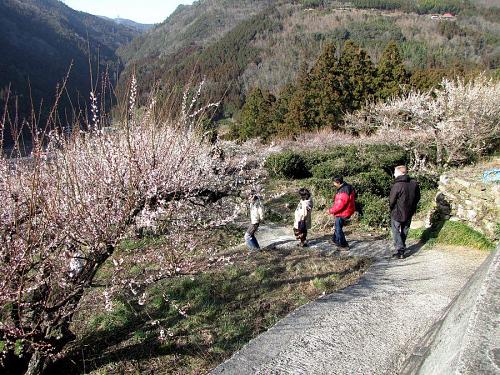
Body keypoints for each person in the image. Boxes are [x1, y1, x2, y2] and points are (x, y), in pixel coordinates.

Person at [389, 165, 420, 259]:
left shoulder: (397, 185)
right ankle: (401, 248)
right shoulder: (414, 183)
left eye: (395, 172)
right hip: (409, 211)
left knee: (395, 230)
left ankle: (400, 250)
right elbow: (418, 197)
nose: (394, 174)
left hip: (397, 212)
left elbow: (391, 200)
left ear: (399, 173)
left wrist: (392, 208)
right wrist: (413, 206)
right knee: (405, 230)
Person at [329, 176, 356, 249]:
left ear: (338, 182)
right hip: (348, 210)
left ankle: (344, 245)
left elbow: (340, 205)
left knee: (338, 228)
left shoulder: (343, 191)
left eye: (334, 183)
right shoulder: (347, 186)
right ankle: (334, 240)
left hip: (343, 212)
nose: (333, 184)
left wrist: (331, 210)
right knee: (338, 226)